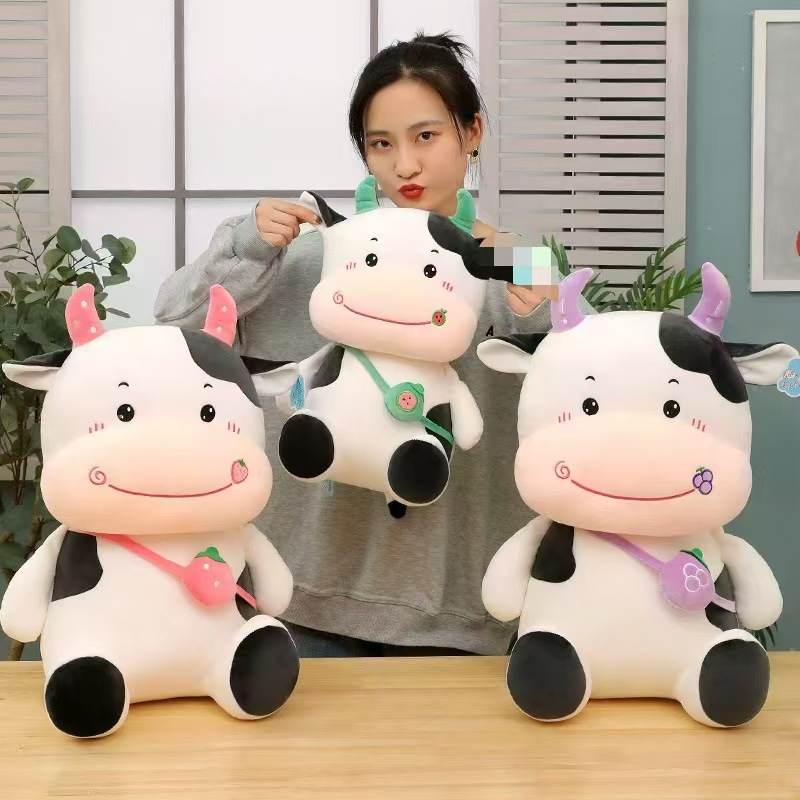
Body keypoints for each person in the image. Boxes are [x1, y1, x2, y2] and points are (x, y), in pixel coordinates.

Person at [153, 32, 595, 657]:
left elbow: (600, 394)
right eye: (381, 144)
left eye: (426, 136)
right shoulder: (310, 257)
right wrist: (246, 247)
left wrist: (545, 312)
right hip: (301, 599)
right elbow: (176, 328)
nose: (405, 166)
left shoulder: (516, 263)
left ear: (472, 132)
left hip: (461, 613)